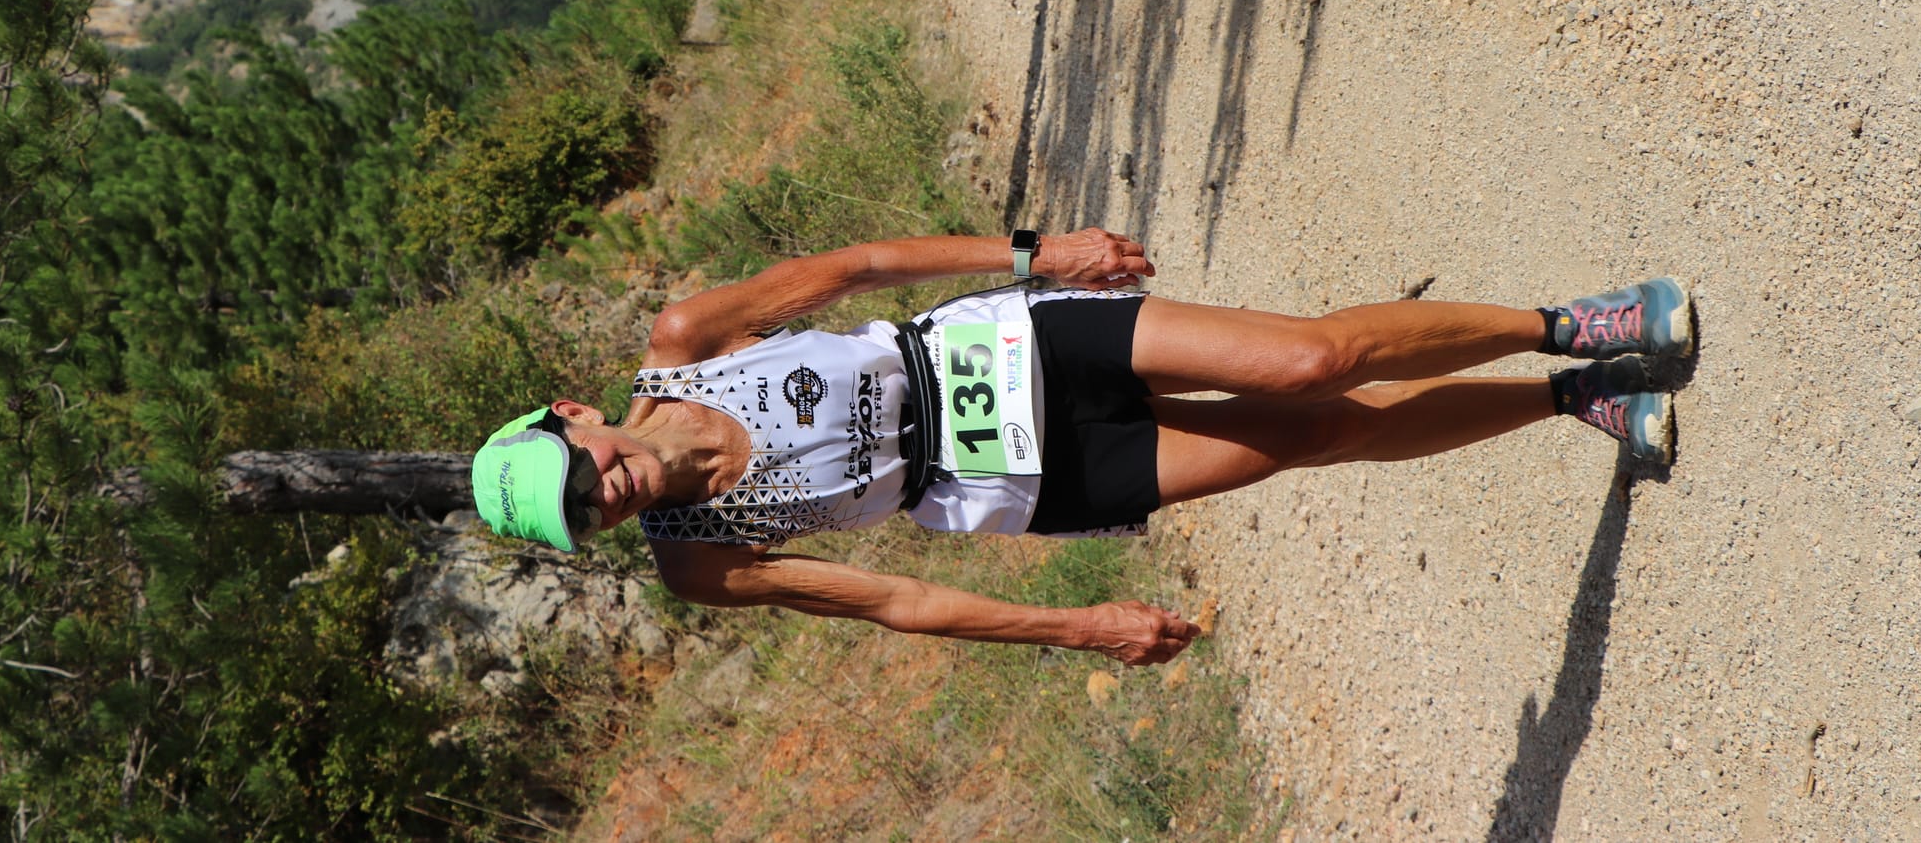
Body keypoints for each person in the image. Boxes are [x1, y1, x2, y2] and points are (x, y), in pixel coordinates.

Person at [473, 229, 1691, 666]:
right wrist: (1079, 626)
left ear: (572, 415)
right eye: (579, 517)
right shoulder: (697, 561)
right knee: (1314, 436)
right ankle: (1573, 397)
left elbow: (856, 268)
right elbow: (895, 600)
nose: (601, 495)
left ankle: (1566, 323)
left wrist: (1035, 253)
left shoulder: (687, 340)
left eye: (577, 473)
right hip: (1007, 478)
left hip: (1013, 349)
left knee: (1309, 360)